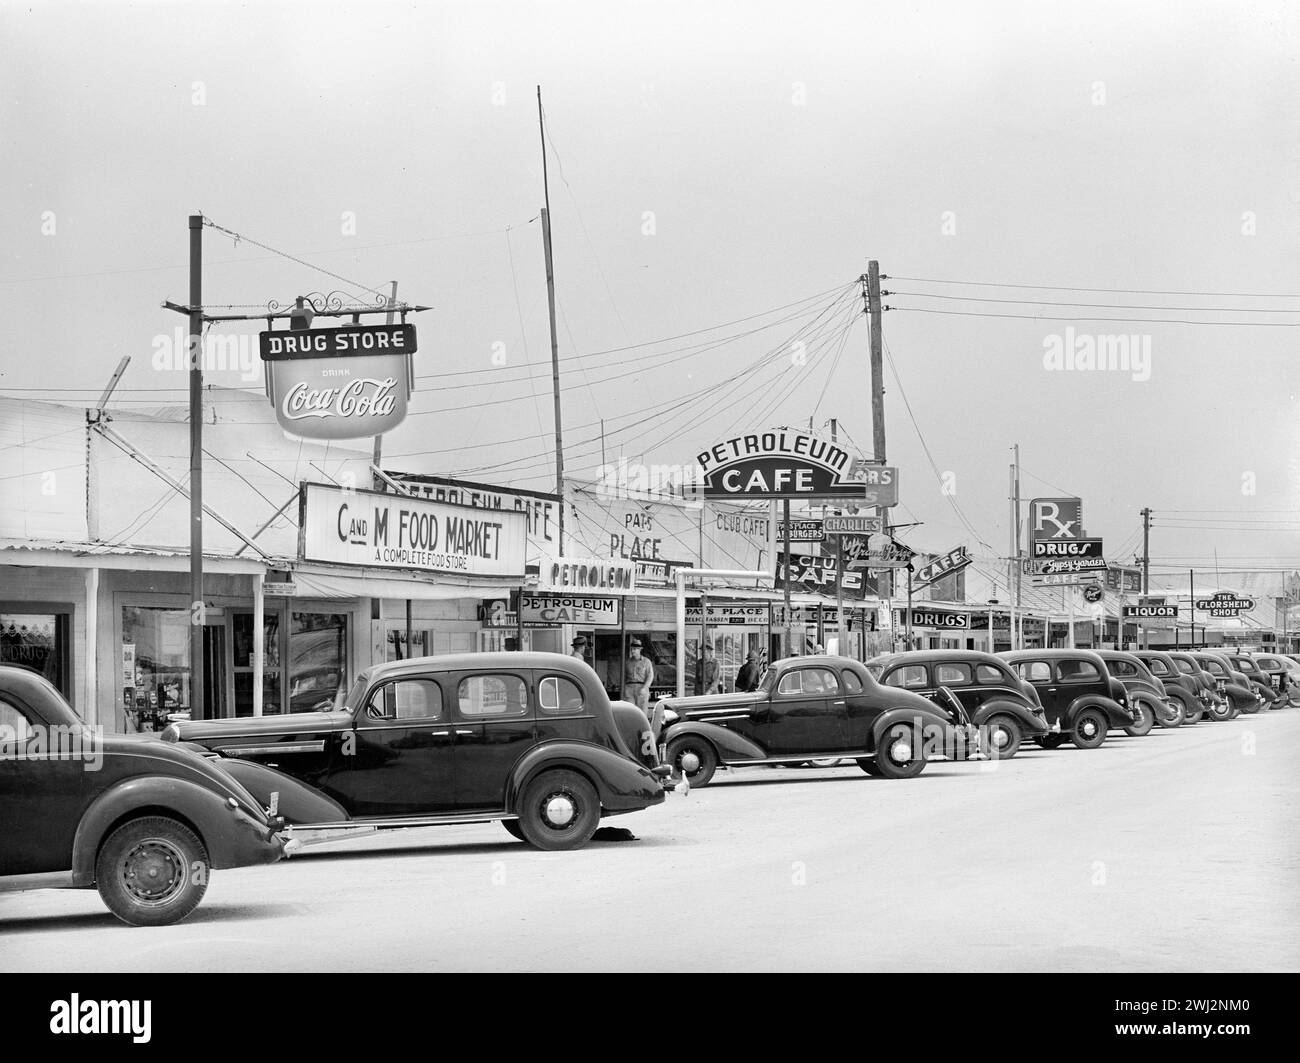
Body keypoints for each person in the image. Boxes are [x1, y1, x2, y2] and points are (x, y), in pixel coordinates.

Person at [624, 637, 655, 711]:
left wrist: (645, 688)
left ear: (640, 650)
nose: (632, 651)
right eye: (631, 649)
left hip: (641, 687)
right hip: (629, 688)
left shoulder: (646, 661)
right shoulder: (627, 662)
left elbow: (650, 676)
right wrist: (624, 689)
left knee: (642, 712)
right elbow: (624, 676)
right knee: (630, 710)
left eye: (634, 649)